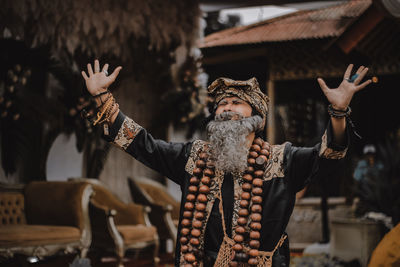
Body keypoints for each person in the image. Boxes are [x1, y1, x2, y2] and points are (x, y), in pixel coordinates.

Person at [81, 60, 372, 267]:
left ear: (257, 118)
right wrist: (102, 98)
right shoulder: (193, 156)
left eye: (235, 102)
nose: (226, 108)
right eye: (221, 104)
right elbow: (145, 145)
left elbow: (330, 151)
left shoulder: (283, 159)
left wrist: (338, 111)